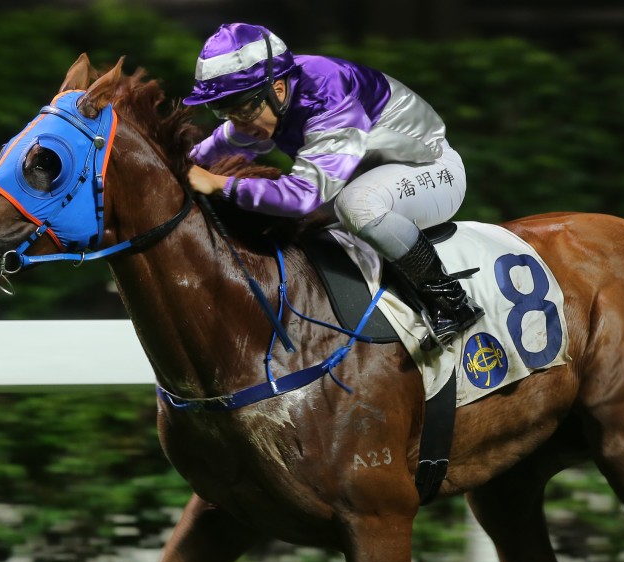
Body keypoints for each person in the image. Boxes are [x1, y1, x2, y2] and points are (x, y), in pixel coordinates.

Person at [183, 22, 482, 349]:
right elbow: (226, 139)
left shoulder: (330, 94)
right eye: (223, 112)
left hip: (433, 172)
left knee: (355, 205)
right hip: (376, 175)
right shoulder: (272, 100)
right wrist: (183, 163)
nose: (235, 123)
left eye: (240, 111)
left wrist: (218, 183)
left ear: (277, 91)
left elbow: (302, 197)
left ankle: (452, 302)